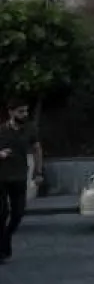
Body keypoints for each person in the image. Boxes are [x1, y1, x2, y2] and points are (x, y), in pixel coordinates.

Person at [0, 97, 44, 264]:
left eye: (26, 111)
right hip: (1, 178)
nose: (24, 114)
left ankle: (5, 239)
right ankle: (3, 249)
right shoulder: (2, 130)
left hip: (19, 177)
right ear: (11, 112)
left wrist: (38, 172)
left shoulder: (30, 129)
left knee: (18, 213)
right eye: (20, 111)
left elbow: (37, 149)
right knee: (2, 213)